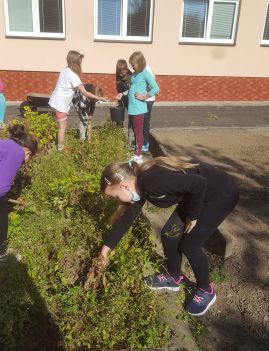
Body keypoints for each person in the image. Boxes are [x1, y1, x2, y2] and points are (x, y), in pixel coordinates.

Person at [98, 156, 239, 316]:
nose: (117, 201)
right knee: (169, 235)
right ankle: (174, 277)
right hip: (195, 194)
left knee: (190, 244)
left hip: (219, 194)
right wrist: (105, 250)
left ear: (124, 186)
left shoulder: (151, 182)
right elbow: (126, 221)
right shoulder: (139, 186)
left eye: (115, 197)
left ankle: (207, 290)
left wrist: (192, 216)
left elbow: (199, 183)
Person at [49, 50, 108, 151]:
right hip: (60, 104)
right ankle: (60, 150)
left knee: (61, 125)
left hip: (55, 101)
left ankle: (60, 147)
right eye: (79, 62)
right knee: (62, 127)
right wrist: (100, 98)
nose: (80, 64)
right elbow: (85, 93)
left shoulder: (65, 70)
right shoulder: (73, 75)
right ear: (74, 63)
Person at [0, 124, 38, 262]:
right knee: (2, 215)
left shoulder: (7, 145)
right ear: (28, 152)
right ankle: (2, 254)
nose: (26, 162)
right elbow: (2, 186)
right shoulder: (17, 152)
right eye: (30, 158)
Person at [116, 52, 159, 164]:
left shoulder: (145, 73)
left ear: (140, 63)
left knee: (139, 132)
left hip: (139, 108)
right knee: (135, 131)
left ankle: (138, 156)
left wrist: (144, 96)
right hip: (133, 108)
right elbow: (132, 89)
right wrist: (123, 94)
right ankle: (137, 152)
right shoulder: (135, 74)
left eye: (133, 64)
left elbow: (155, 88)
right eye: (131, 64)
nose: (131, 66)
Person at [142, 65, 156, 152]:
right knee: (142, 121)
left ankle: (145, 143)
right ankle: (142, 142)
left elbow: (154, 88)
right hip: (145, 99)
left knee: (145, 122)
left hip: (148, 100)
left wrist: (144, 96)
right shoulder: (147, 68)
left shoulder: (146, 70)